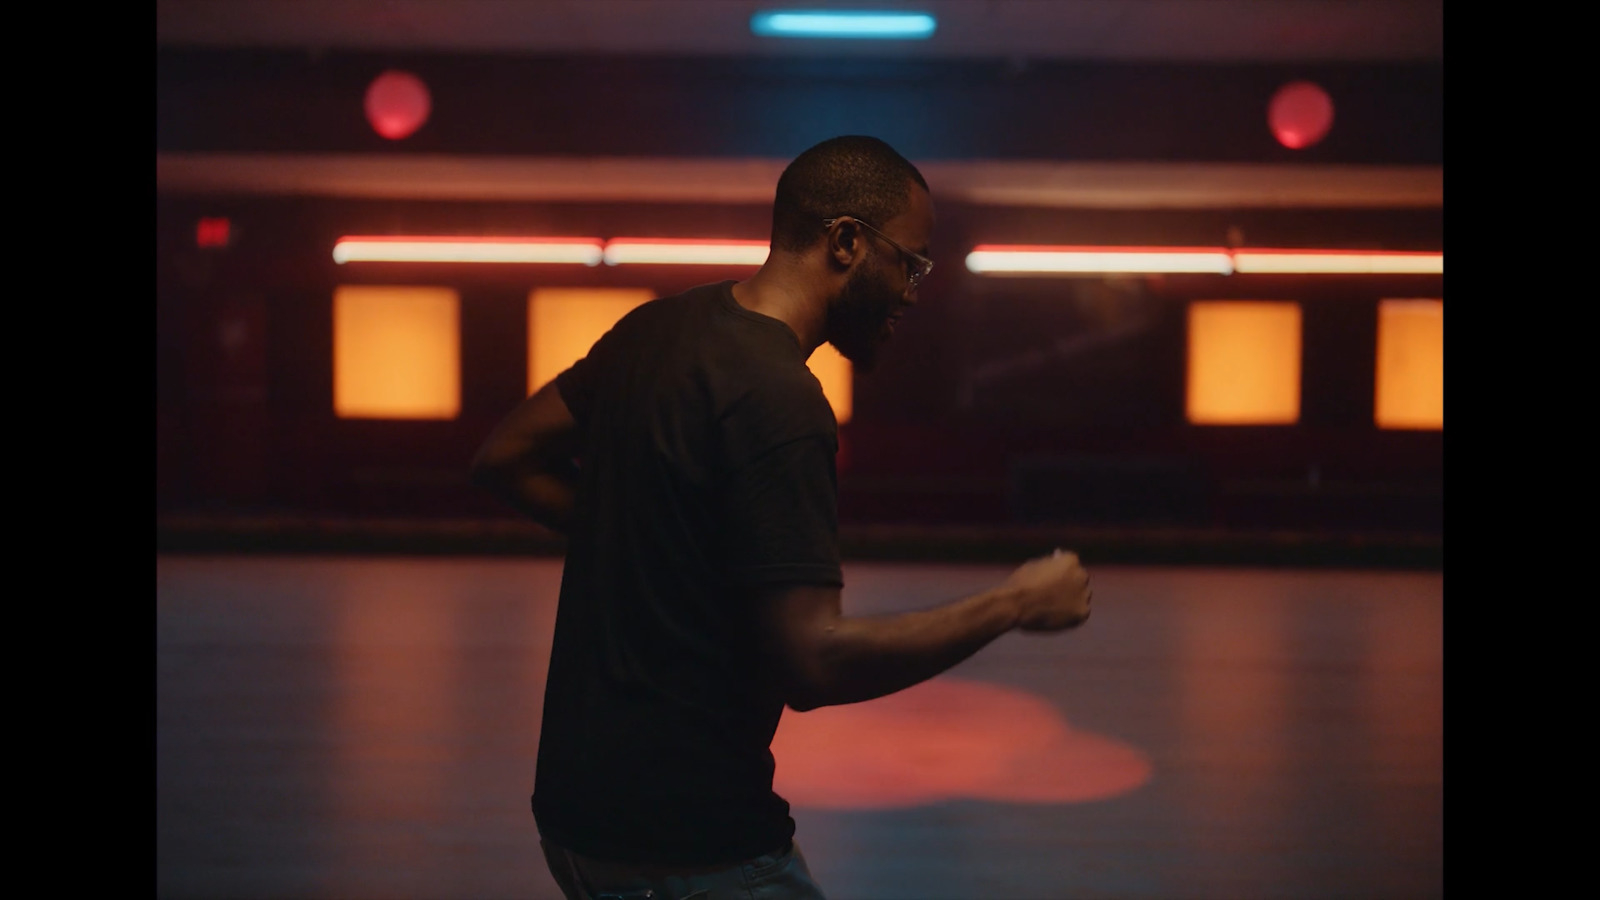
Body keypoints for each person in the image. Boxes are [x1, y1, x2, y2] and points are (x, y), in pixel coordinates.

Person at [469, 135, 1093, 900]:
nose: (914, 289)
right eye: (911, 261)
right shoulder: (783, 401)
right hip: (696, 850)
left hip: (574, 830)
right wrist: (1016, 602)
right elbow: (814, 663)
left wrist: (650, 540)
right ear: (845, 242)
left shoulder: (654, 332)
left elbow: (507, 457)